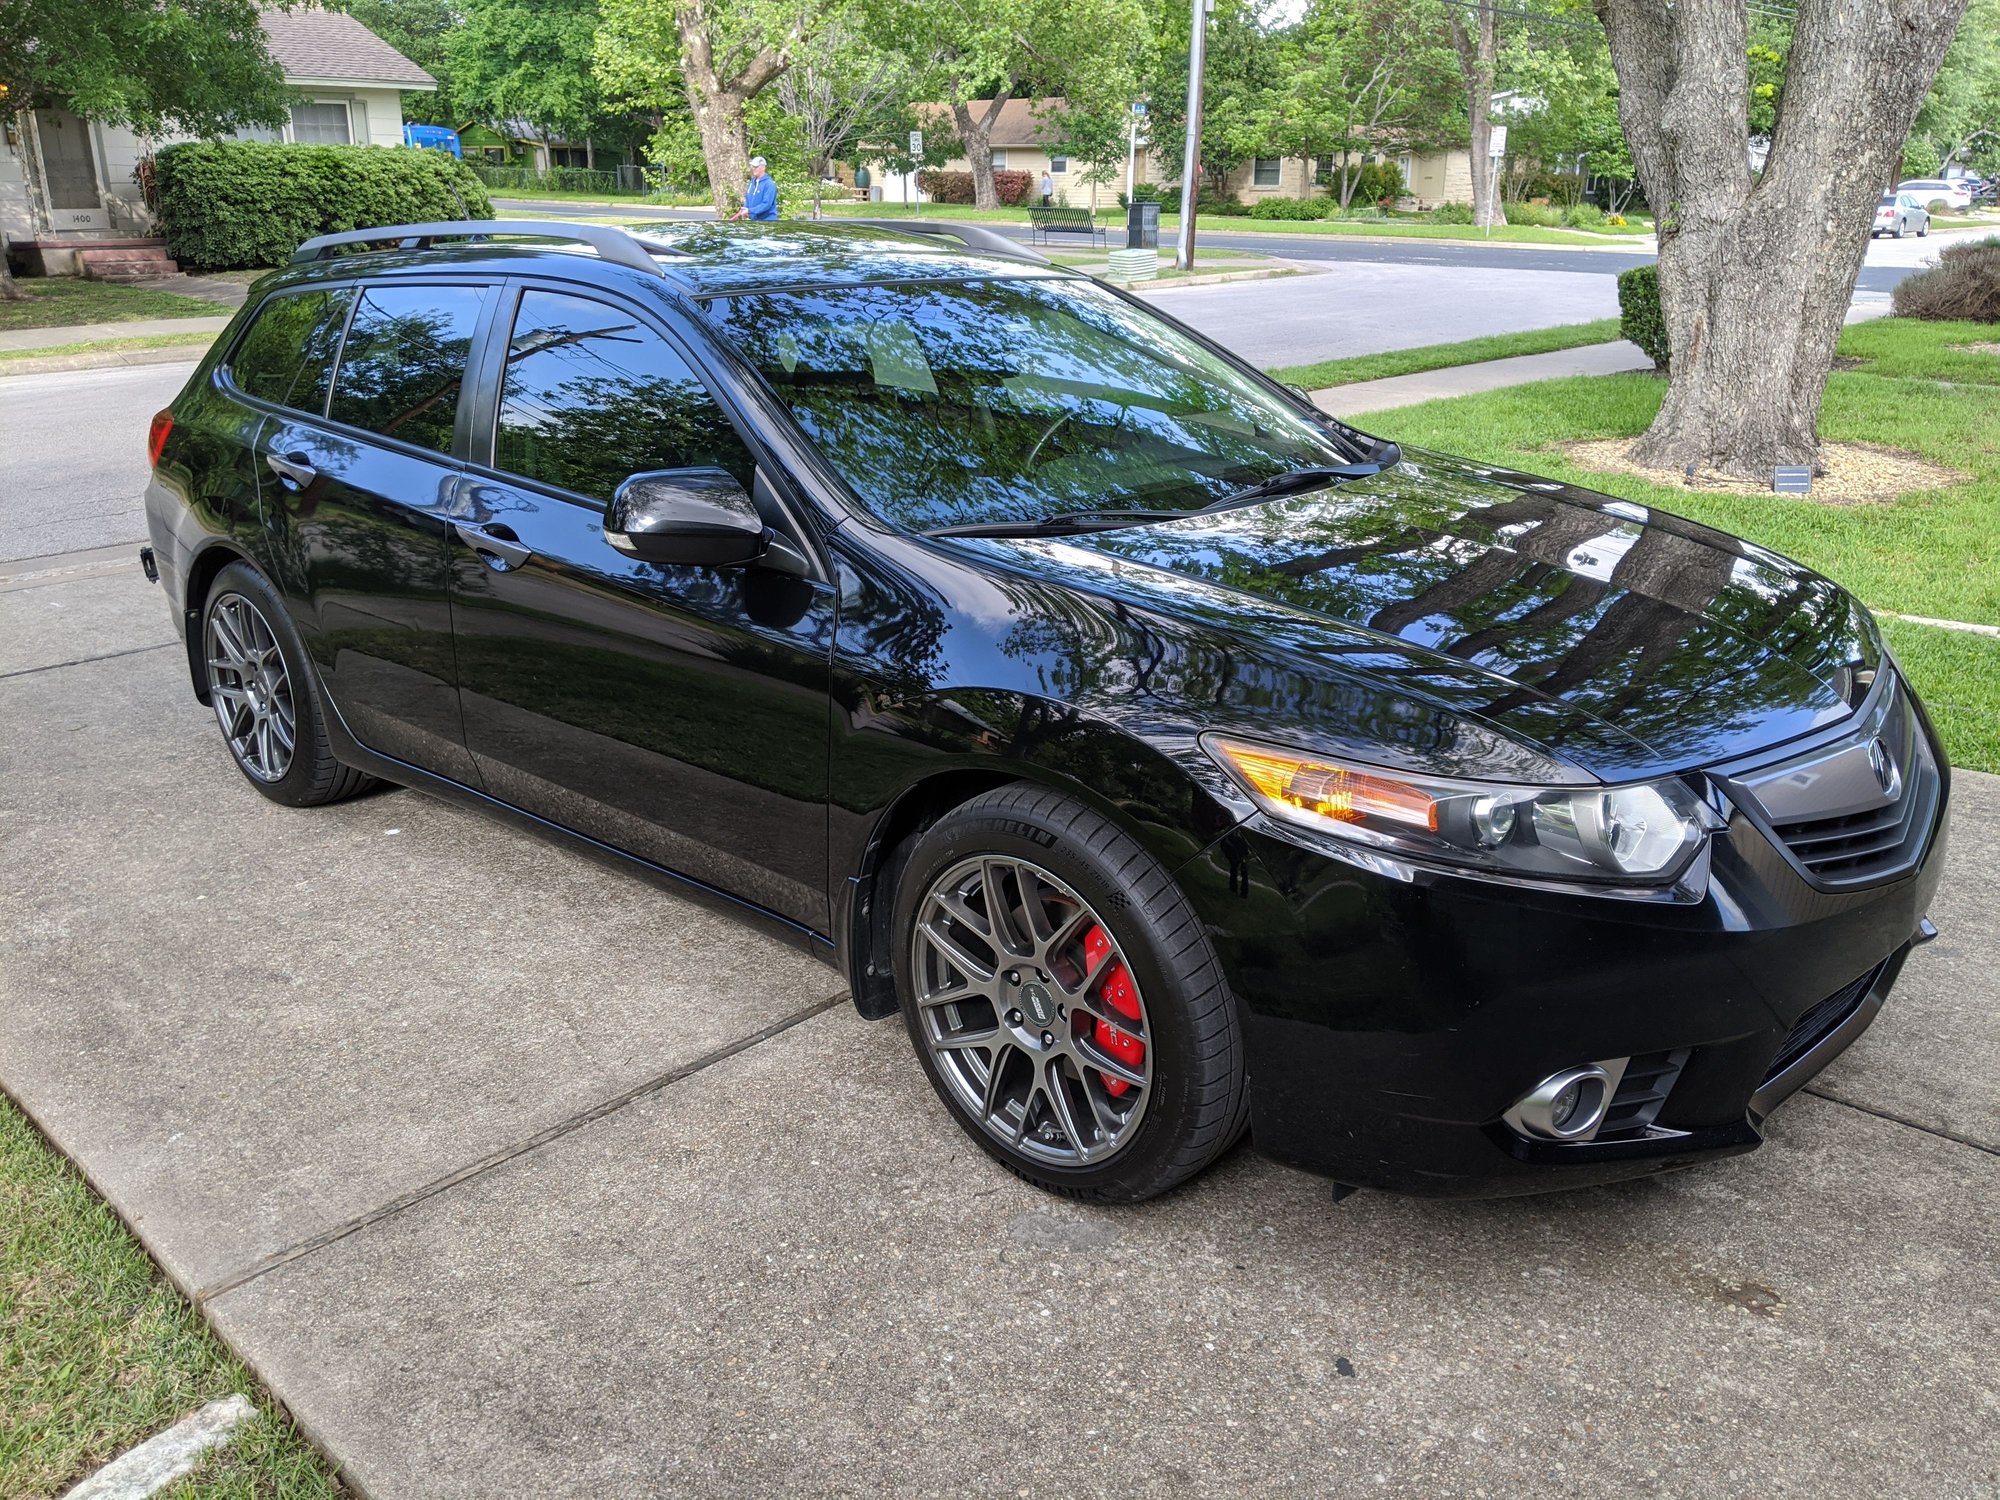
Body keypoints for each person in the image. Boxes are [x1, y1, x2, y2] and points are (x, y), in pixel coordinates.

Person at [732, 156, 779, 222]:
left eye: (756, 167)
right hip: (755, 222)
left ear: (763, 168)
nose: (753, 169)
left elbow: (766, 204)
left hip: (768, 222)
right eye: (753, 166)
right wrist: (746, 209)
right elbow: (748, 199)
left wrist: (750, 211)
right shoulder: (751, 183)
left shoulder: (769, 184)